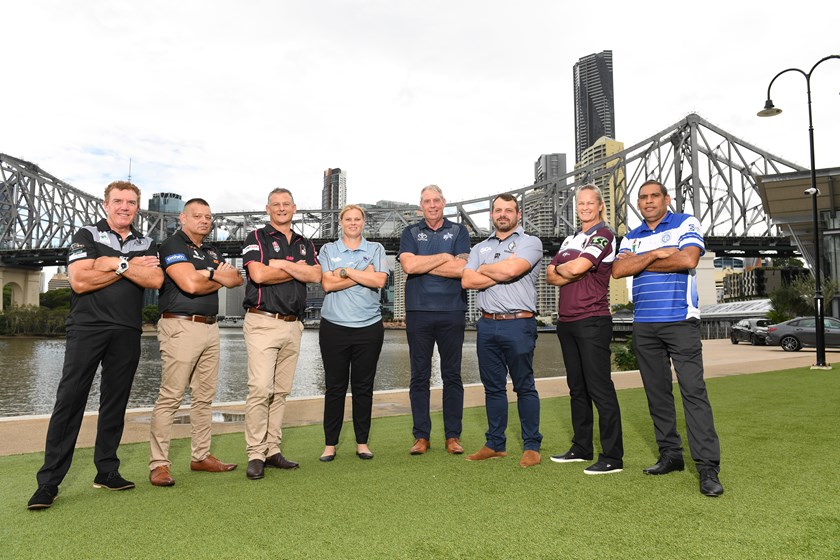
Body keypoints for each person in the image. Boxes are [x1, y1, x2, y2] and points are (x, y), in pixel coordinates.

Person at [27, 181, 163, 510]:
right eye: (118, 201)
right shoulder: (85, 235)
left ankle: (107, 471)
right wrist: (128, 265)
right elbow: (80, 280)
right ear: (106, 204)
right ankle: (48, 483)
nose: (124, 207)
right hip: (87, 328)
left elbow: (155, 280)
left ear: (137, 207)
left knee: (114, 404)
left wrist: (109, 262)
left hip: (127, 330)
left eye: (131, 202)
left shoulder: (148, 241)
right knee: (70, 400)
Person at [612, 179, 724, 497]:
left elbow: (687, 260)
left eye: (654, 196)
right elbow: (619, 271)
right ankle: (670, 455)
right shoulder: (631, 235)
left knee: (693, 393)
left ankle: (707, 469)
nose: (648, 202)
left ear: (666, 199)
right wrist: (658, 254)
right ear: (638, 202)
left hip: (680, 321)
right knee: (657, 394)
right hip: (644, 324)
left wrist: (642, 261)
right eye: (643, 197)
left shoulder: (685, 222)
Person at [147, 198, 244, 487]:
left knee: (204, 397)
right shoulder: (172, 246)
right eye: (197, 215)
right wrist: (217, 274)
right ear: (183, 219)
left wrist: (207, 274)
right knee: (171, 397)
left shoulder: (212, 250)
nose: (204, 220)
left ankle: (200, 455)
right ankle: (159, 465)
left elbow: (237, 279)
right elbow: (189, 285)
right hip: (180, 325)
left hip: (210, 327)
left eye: (208, 216)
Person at [241, 188, 321, 480]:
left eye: (286, 204)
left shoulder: (304, 242)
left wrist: (280, 265)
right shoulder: (256, 237)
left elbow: (315, 275)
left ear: (295, 208)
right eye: (276, 204)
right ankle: (255, 453)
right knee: (260, 389)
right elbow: (258, 275)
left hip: (293, 324)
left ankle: (272, 449)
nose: (282, 208)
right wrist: (296, 268)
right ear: (267, 208)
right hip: (263, 321)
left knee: (281, 392)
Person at [462, 193, 543, 468]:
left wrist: (484, 270)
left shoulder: (530, 242)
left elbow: (513, 270)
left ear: (517, 215)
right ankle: (495, 443)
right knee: (493, 388)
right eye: (498, 210)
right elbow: (466, 279)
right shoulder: (479, 247)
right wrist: (496, 270)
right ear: (491, 214)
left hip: (519, 323)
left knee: (524, 386)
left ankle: (532, 445)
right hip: (486, 324)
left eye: (509, 210)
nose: (503, 215)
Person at [546, 184, 623, 475]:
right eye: (581, 204)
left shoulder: (605, 235)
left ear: (600, 206)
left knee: (600, 389)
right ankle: (581, 447)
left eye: (591, 203)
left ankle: (613, 457)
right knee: (577, 389)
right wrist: (571, 268)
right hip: (566, 322)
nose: (585, 208)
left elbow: (576, 269)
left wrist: (569, 269)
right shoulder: (570, 239)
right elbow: (550, 275)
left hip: (593, 320)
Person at [397, 185, 470, 456]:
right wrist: (443, 257)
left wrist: (423, 262)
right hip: (418, 312)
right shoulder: (410, 232)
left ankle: (453, 436)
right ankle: (421, 437)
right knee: (419, 376)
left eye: (436, 200)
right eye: (427, 201)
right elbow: (409, 266)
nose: (432, 205)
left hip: (452, 311)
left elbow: (462, 268)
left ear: (444, 202)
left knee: (452, 375)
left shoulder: (460, 231)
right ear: (421, 206)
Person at [317, 205, 389, 462]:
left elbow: (380, 281)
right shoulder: (327, 249)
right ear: (341, 222)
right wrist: (362, 274)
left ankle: (362, 442)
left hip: (368, 327)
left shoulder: (377, 249)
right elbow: (327, 284)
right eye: (348, 219)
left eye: (357, 219)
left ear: (364, 222)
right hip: (333, 327)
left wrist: (344, 273)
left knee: (363, 387)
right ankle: (330, 445)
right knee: (334, 387)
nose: (353, 222)